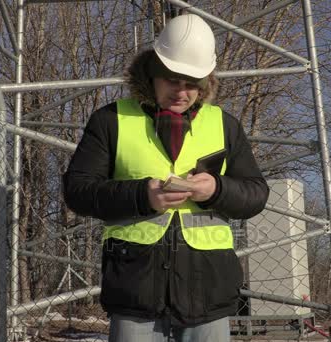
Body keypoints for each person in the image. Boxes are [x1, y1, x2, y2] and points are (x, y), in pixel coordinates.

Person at [63, 14, 269, 342]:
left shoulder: (224, 125)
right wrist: (142, 196)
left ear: (206, 82)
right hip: (135, 291)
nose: (181, 92)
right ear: (153, 71)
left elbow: (256, 194)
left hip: (208, 293)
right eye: (172, 79)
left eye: (192, 83)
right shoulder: (110, 120)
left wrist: (217, 189)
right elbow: (78, 190)